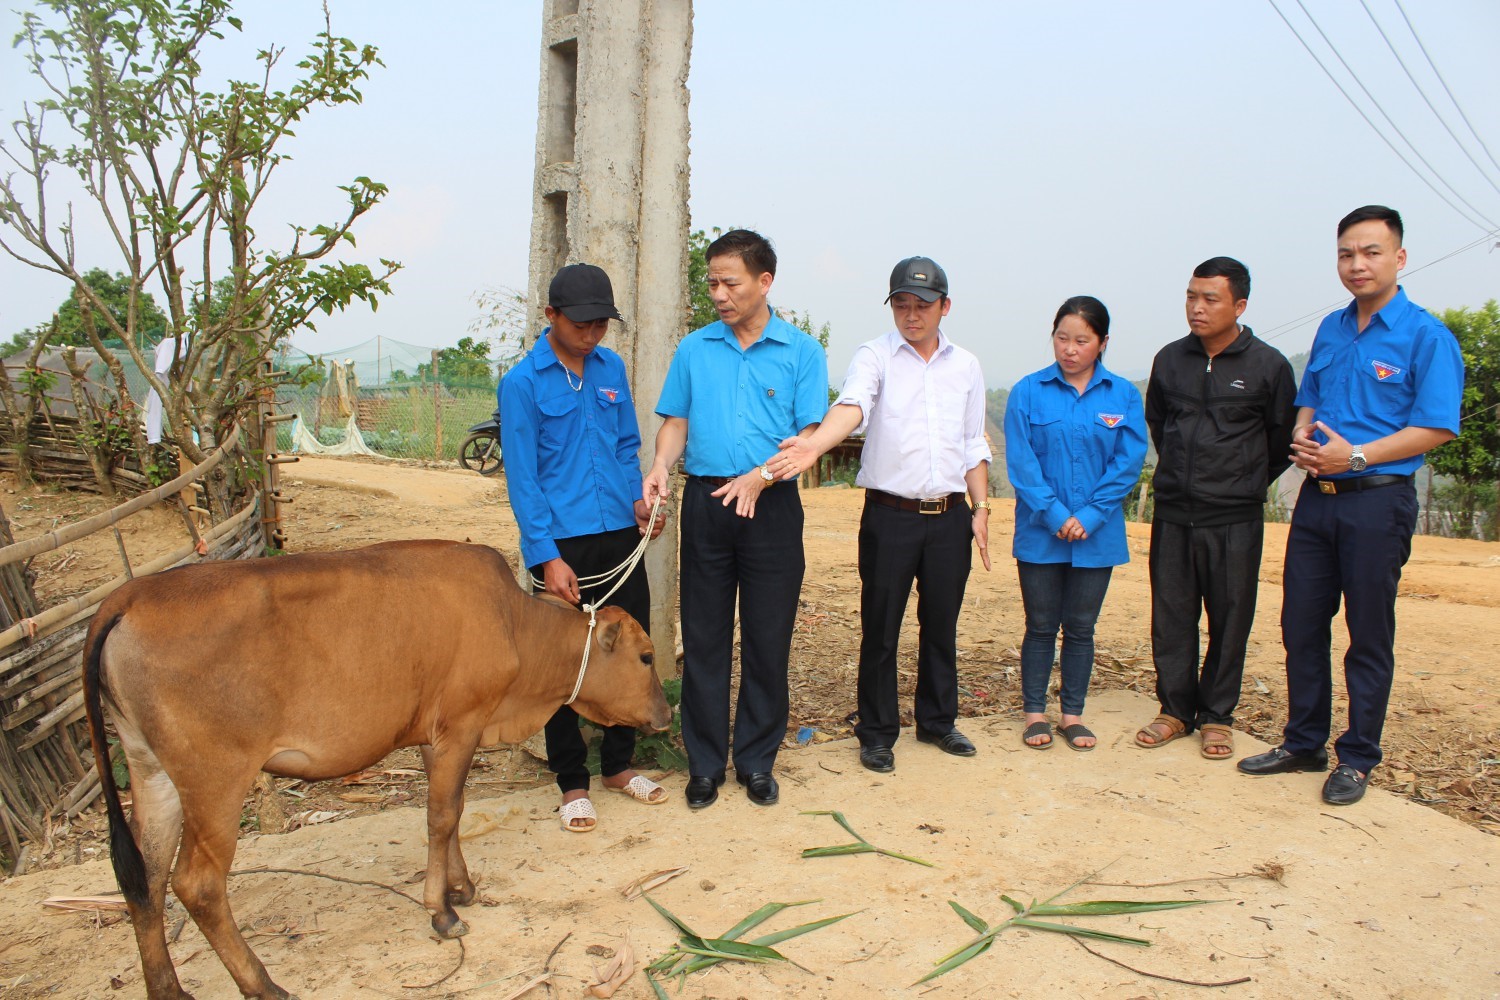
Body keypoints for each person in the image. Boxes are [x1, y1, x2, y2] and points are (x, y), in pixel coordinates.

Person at [1238, 206, 1463, 805]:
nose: (1357, 264)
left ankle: (1358, 757)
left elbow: (1436, 426)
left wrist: (1356, 456)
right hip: (1318, 499)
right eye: (1346, 254)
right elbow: (1310, 397)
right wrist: (1306, 436)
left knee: (1367, 634)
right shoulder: (1333, 329)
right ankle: (1303, 741)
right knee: (1300, 625)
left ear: (1399, 258)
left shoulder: (1426, 336)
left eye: (1370, 252)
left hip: (1377, 502)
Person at [765, 256, 992, 773]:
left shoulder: (967, 367)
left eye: (924, 305)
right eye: (902, 305)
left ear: (945, 307)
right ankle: (877, 731)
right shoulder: (876, 356)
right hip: (891, 516)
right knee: (881, 626)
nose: (912, 315)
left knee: (941, 625)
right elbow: (854, 406)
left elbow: (973, 443)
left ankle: (938, 722)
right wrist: (814, 446)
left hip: (950, 514)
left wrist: (980, 509)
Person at [643, 229, 828, 809]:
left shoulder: (801, 352)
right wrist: (659, 465)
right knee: (703, 638)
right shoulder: (696, 349)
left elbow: (808, 439)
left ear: (764, 281)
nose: (719, 294)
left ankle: (755, 759)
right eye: (713, 283)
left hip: (771, 509)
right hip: (707, 503)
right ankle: (704, 764)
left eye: (731, 282)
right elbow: (675, 420)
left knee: (768, 639)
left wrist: (762, 476)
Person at [499, 262, 669, 833]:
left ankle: (620, 767)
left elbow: (626, 447)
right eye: (581, 324)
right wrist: (546, 557)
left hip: (619, 535)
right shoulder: (522, 383)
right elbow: (523, 479)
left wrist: (638, 502)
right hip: (562, 546)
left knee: (629, 652)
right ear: (551, 316)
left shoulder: (610, 368)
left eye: (601, 324)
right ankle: (572, 782)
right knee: (561, 666)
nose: (592, 334)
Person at [1135, 258, 1297, 760]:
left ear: (1239, 306)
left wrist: (1240, 484)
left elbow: (1278, 443)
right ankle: (1175, 710)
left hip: (1234, 518)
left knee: (1230, 618)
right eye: (1191, 296)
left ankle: (1217, 716)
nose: (1197, 308)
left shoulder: (1268, 367)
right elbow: (1160, 424)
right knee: (1172, 616)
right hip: (1174, 514)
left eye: (1210, 299)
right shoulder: (1170, 360)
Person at [1004, 296, 1146, 750]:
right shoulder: (1028, 391)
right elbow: (1022, 462)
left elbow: (1128, 460)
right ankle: (1033, 714)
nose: (1069, 348)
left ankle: (1072, 714)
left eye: (1082, 340)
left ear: (1102, 343)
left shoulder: (1122, 394)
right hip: (1041, 532)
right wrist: (1055, 514)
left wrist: (1088, 515)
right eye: (1062, 338)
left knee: (1081, 627)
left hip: (1096, 534)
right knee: (1041, 625)